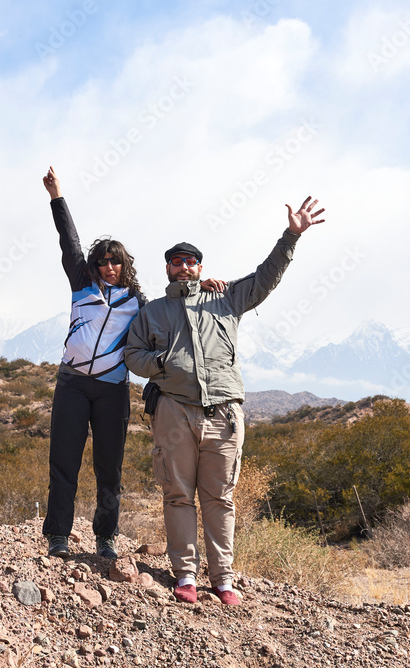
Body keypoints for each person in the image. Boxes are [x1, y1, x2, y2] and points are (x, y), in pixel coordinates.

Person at [124, 196, 325, 604]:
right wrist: (164, 362)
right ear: (168, 268)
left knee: (220, 498)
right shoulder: (153, 313)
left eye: (190, 262)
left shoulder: (227, 297)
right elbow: (132, 355)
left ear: (200, 267)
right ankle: (185, 577)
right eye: (177, 262)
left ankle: (224, 580)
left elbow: (265, 278)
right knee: (178, 495)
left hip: (224, 415)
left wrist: (292, 235)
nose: (184, 267)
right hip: (174, 411)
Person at [41, 166, 225, 560]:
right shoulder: (81, 284)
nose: (109, 267)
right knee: (64, 464)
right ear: (95, 263)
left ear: (125, 266)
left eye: (116, 262)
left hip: (111, 391)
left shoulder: (138, 303)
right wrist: (57, 196)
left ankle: (105, 538)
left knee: (109, 470)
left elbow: (172, 305)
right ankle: (58, 535)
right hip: (72, 384)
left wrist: (199, 286)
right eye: (104, 261)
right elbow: (68, 240)